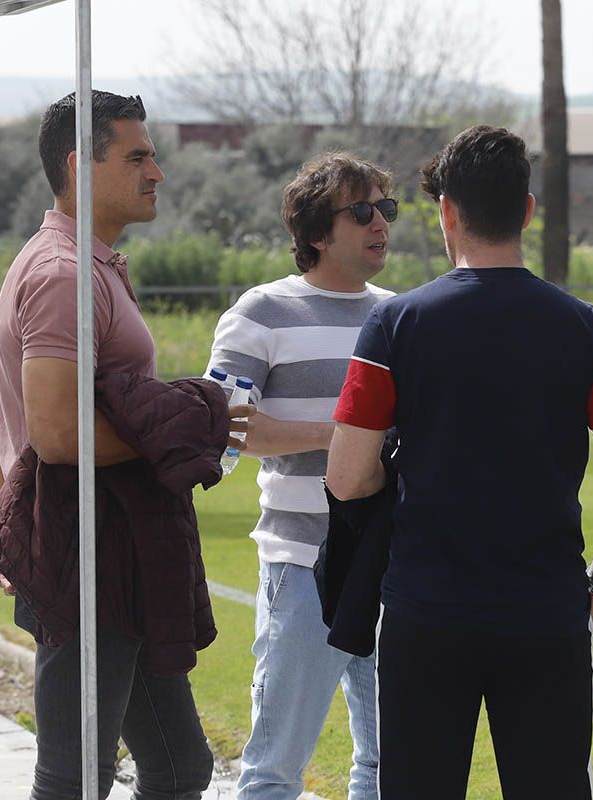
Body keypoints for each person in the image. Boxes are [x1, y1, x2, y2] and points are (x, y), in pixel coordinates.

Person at [326, 125, 593, 800]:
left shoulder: (393, 326)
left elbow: (346, 475)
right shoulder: (591, 329)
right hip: (545, 609)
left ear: (447, 211)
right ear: (528, 210)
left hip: (426, 610)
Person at [0, 90, 221, 799]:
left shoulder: (90, 263)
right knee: (74, 780)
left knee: (178, 769)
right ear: (83, 165)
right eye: (139, 156)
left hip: (112, 555)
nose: (157, 172)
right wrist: (183, 430)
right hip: (86, 557)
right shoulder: (62, 276)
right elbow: (55, 432)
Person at [204, 153, 392, 799]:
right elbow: (221, 428)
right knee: (275, 768)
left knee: (389, 766)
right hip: (304, 561)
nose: (381, 223)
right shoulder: (263, 312)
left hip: (395, 563)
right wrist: (341, 440)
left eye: (386, 209)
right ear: (316, 230)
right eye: (362, 210)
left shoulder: (400, 315)